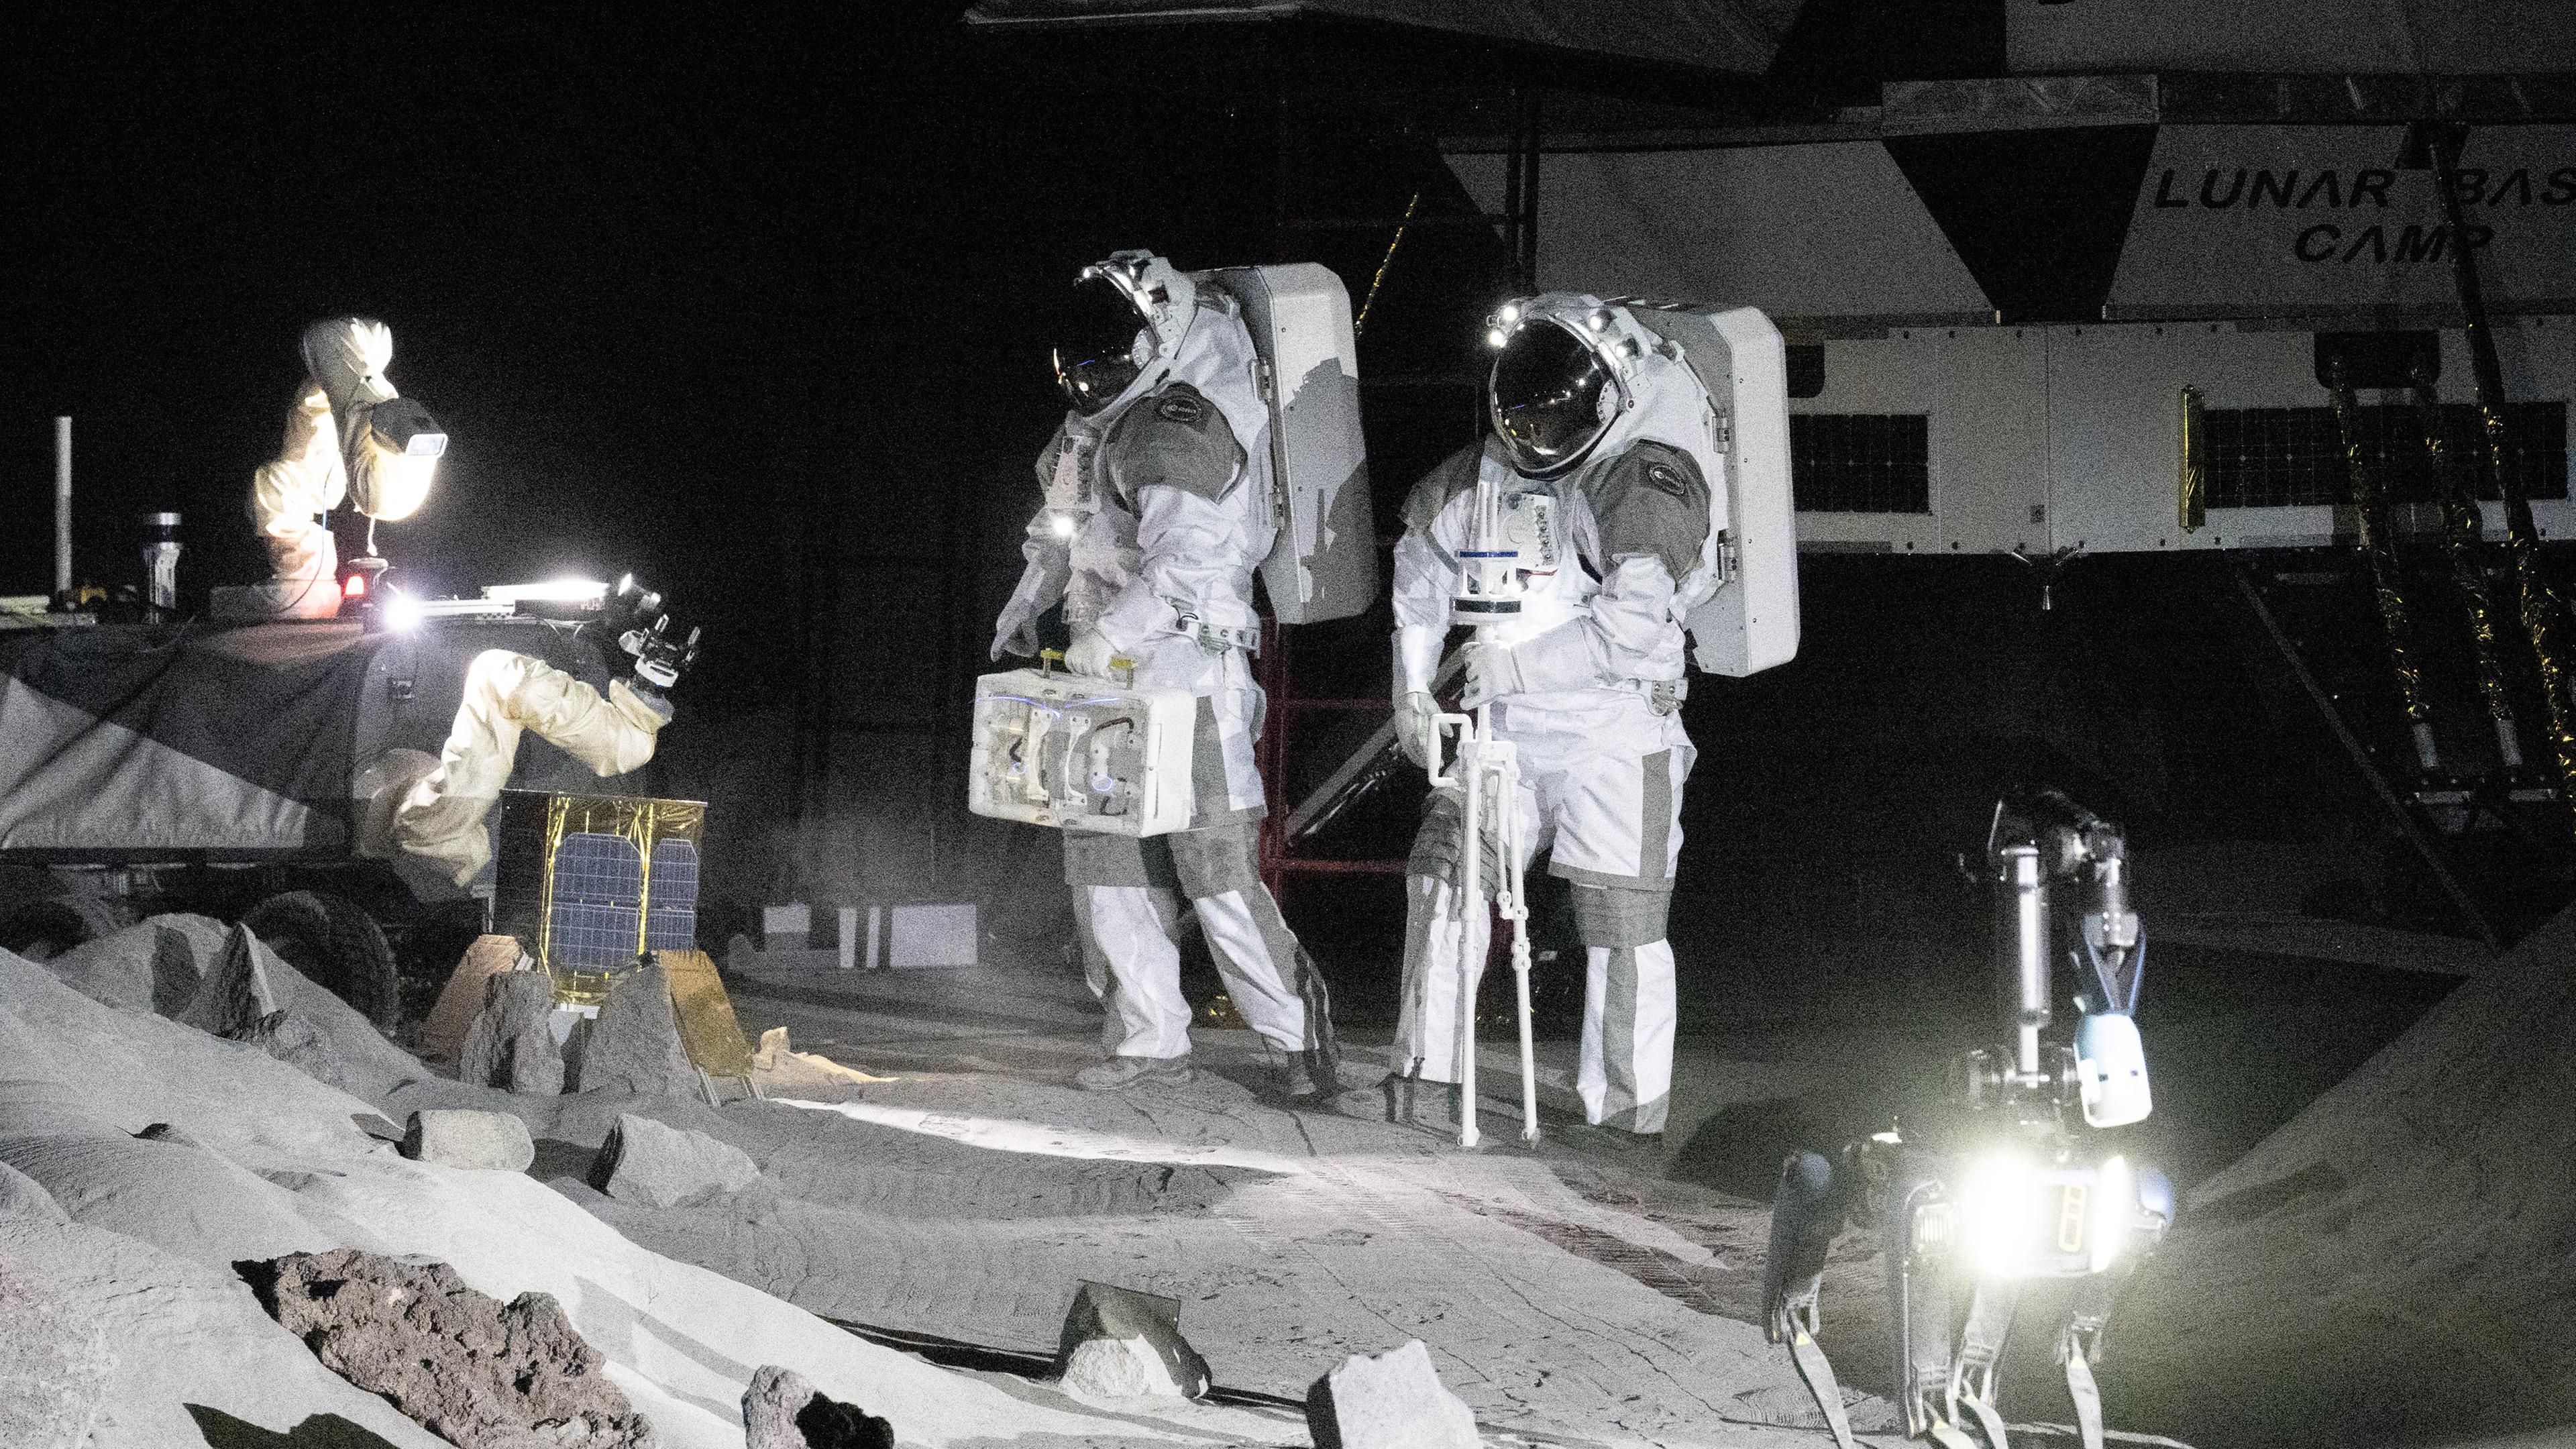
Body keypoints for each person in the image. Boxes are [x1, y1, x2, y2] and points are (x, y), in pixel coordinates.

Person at [992, 250, 1340, 1099]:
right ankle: (1147, 1039)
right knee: (1105, 870)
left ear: (1161, 332)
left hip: (1184, 671)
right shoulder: (1102, 418)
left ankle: (1298, 1041)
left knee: (1213, 870)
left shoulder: (1183, 418)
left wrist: (1108, 638)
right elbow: (1063, 528)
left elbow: (1189, 569)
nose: (1090, 370)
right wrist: (1026, 602)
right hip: (1103, 666)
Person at [1387, 295, 1724, 1138]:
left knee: (1621, 925)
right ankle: (1424, 1077)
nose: (1539, 431)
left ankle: (1623, 1118)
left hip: (1614, 730)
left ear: (1610, 400)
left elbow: (1622, 635)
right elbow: (1420, 579)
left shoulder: (1645, 482)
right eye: (1525, 413)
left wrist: (1511, 666)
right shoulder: (1478, 477)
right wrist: (1412, 692)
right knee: (1443, 875)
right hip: (1501, 732)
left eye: (1559, 415)